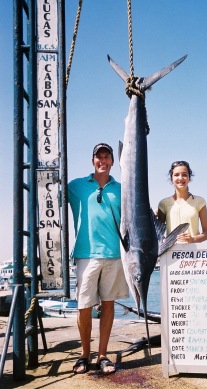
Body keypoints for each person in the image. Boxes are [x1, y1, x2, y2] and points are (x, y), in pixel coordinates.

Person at [68, 143, 129, 374]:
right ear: (92, 160)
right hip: (86, 254)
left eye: (107, 157)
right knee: (84, 307)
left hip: (115, 255)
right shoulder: (76, 186)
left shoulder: (122, 190)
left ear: (113, 161)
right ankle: (84, 355)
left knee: (108, 305)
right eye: (98, 157)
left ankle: (103, 355)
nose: (102, 160)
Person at [157, 160, 207, 243]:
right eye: (176, 175)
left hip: (193, 252)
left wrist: (193, 239)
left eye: (184, 175)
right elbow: (158, 233)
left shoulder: (200, 201)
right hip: (170, 253)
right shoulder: (163, 203)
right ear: (171, 178)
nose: (180, 178)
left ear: (189, 178)